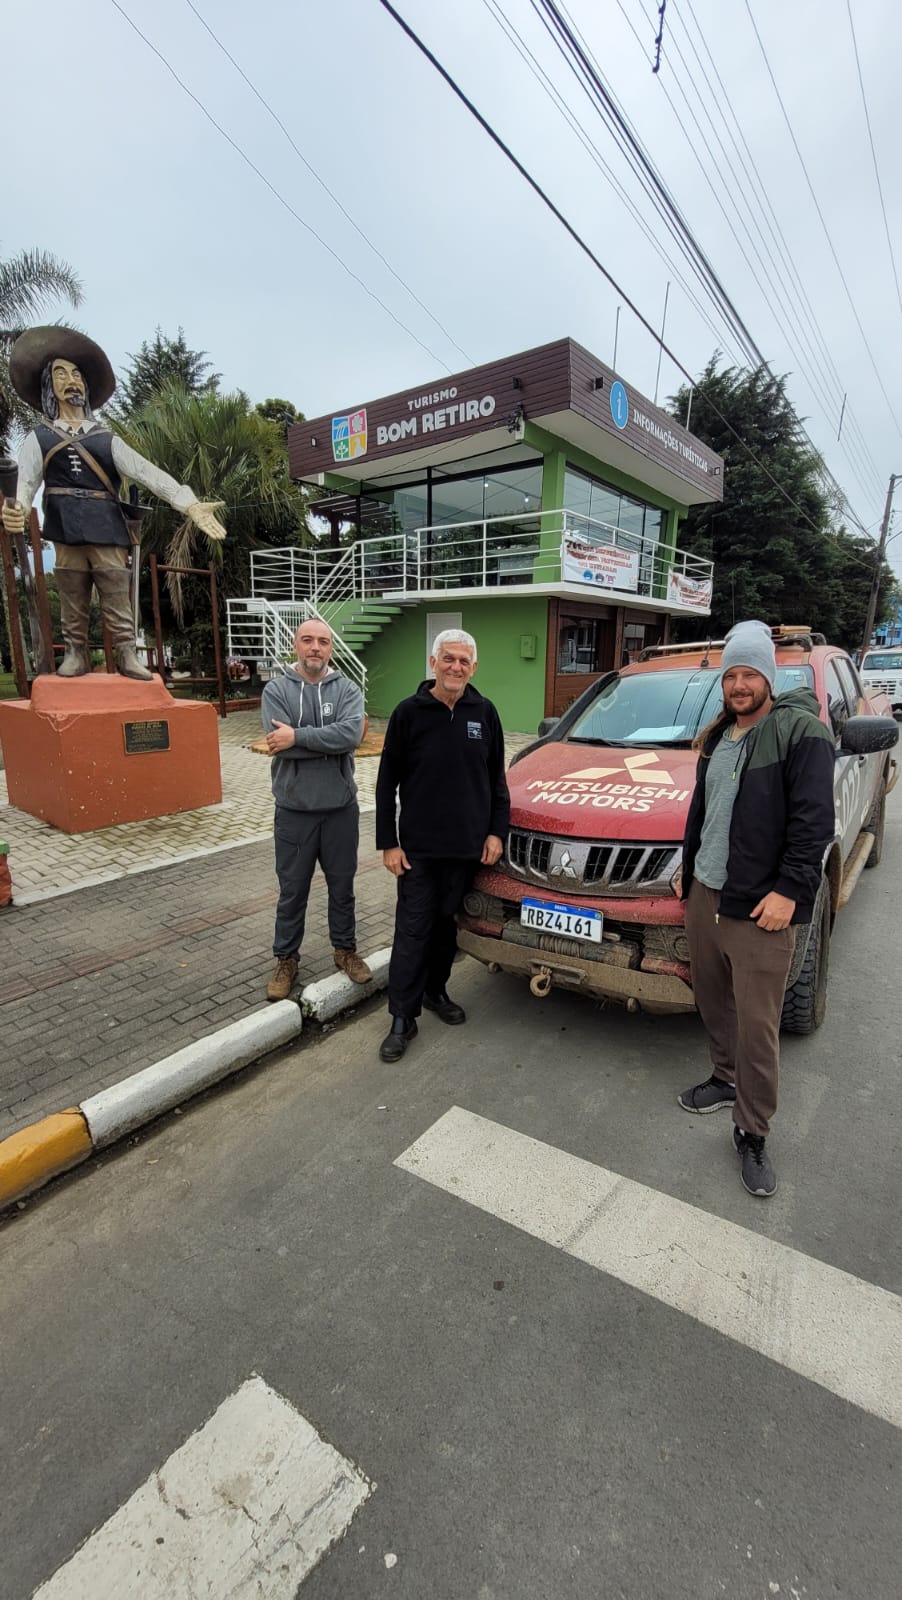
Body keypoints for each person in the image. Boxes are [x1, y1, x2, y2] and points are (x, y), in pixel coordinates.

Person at [677, 620, 835, 1197]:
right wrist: (687, 868)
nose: (739, 685)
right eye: (732, 675)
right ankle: (724, 1079)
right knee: (712, 997)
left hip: (761, 905)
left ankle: (752, 1130)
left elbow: (815, 822)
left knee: (759, 1024)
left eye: (750, 674)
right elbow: (706, 812)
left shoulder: (799, 731)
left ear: (768, 677)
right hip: (706, 891)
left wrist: (791, 891)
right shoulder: (720, 735)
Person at [0, 326, 226, 680]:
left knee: (116, 589)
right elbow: (25, 485)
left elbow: (148, 473)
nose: (70, 381)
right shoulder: (39, 438)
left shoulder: (107, 440)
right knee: (72, 591)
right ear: (50, 386)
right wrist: (14, 510)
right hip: (63, 527)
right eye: (60, 374)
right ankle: (75, 653)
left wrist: (189, 503)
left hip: (106, 525)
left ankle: (125, 654)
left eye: (76, 374)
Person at [375, 628, 510, 1062]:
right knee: (413, 930)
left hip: (466, 848)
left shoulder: (484, 712)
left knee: (446, 926)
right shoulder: (408, 713)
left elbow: (496, 781)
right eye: (448, 659)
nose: (456, 667)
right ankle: (402, 1016)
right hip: (418, 851)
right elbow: (385, 784)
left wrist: (496, 832)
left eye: (464, 661)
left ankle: (435, 991)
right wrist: (387, 843)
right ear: (433, 663)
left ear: (474, 667)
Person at [262, 617, 372, 1000]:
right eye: (307, 640)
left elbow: (348, 735)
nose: (315, 648)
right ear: (296, 645)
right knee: (292, 891)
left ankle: (345, 950)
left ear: (331, 648)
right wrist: (317, 741)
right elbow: (280, 744)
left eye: (323, 642)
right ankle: (286, 960)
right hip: (294, 809)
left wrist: (298, 736)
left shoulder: (346, 689)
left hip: (340, 808)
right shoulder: (276, 690)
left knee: (342, 887)